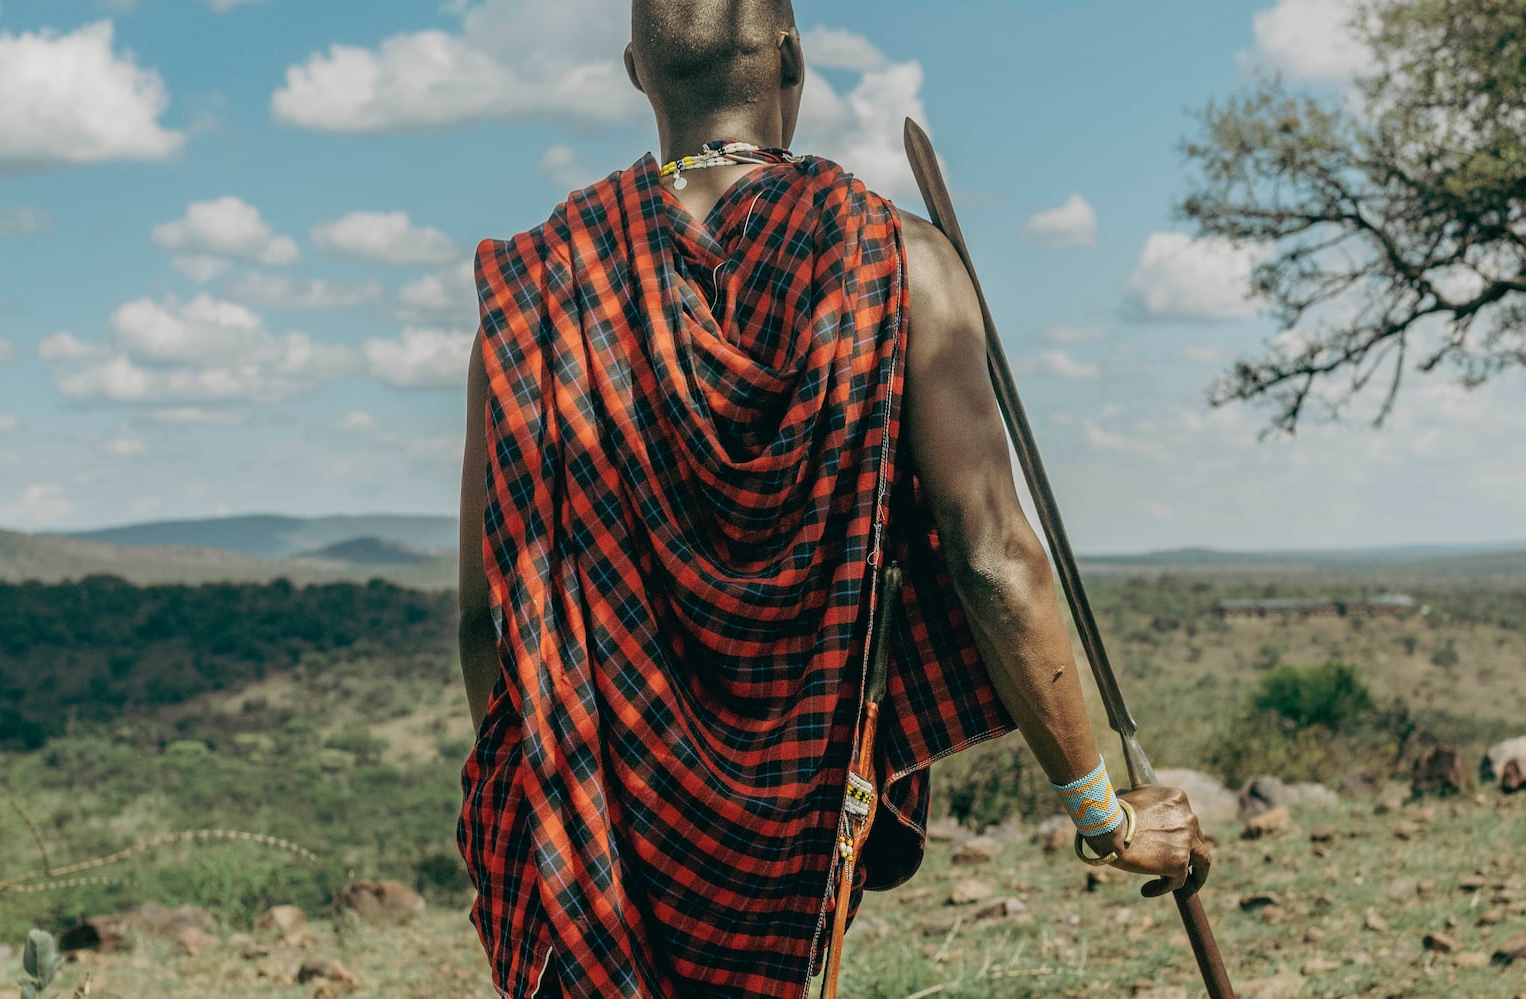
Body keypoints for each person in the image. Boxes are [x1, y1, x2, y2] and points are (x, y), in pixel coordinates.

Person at [454, 2, 1211, 996]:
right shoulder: (892, 257)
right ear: (792, 61)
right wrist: (1101, 815)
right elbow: (991, 558)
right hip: (805, 818)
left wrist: (549, 793)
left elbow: (485, 615)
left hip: (597, 832)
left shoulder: (544, 286)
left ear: (637, 71)